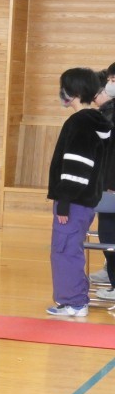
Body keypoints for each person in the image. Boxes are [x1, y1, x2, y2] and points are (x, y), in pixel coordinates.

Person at [46, 67, 112, 317]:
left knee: (65, 249)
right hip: (84, 200)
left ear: (73, 91)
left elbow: (77, 165)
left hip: (73, 201)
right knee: (69, 248)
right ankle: (74, 299)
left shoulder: (80, 122)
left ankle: (74, 301)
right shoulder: (94, 120)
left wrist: (64, 200)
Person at [89, 65, 115, 287]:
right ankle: (110, 271)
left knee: (109, 231)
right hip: (105, 181)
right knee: (107, 230)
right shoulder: (105, 111)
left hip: (111, 183)